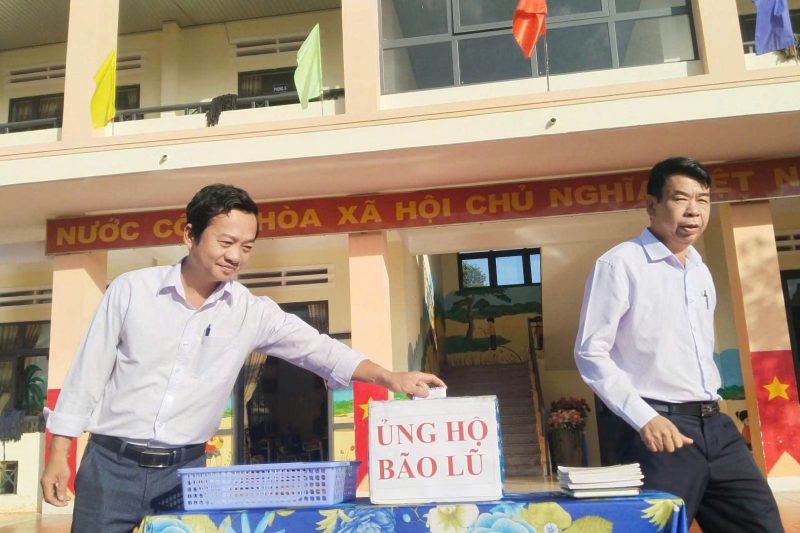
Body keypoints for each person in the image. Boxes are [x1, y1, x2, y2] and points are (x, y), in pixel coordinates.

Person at [41, 184, 446, 532]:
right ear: (190, 234)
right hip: (109, 467)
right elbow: (86, 375)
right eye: (226, 242)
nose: (236, 256)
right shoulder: (131, 291)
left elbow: (319, 349)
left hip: (184, 476)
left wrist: (389, 377)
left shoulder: (250, 312)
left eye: (247, 247)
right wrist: (59, 454)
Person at [574, 157, 783, 531]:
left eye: (703, 200)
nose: (694, 210)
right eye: (680, 198)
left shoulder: (700, 270)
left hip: (716, 428)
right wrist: (645, 417)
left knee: (762, 524)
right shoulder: (620, 264)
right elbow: (591, 352)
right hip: (658, 431)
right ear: (652, 205)